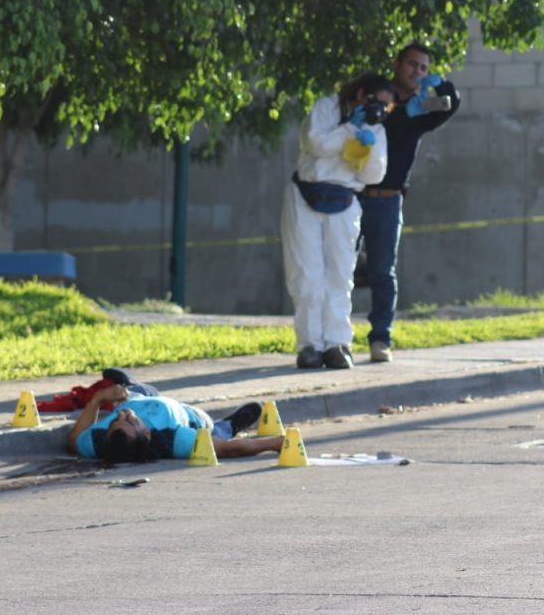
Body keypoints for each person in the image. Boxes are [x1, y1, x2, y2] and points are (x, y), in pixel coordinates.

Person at [281, 73, 392, 370]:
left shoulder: (375, 128)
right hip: (306, 195)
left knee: (341, 275)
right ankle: (309, 345)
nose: (378, 110)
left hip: (344, 200)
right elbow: (315, 142)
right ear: (360, 95)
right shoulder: (326, 108)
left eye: (386, 107)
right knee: (306, 272)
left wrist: (364, 146)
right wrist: (348, 130)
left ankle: (337, 343)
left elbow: (374, 175)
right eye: (375, 102)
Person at [359, 42, 461, 363]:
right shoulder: (379, 96)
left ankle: (380, 339)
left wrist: (440, 85)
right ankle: (334, 340)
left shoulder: (421, 110)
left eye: (423, 68)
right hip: (354, 195)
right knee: (340, 269)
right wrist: (397, 109)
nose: (417, 72)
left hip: (389, 201)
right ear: (396, 63)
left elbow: (451, 104)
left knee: (382, 272)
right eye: (412, 65)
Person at [66, 379, 283, 463]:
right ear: (148, 435)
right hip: (192, 416)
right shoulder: (170, 438)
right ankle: (227, 426)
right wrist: (275, 443)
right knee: (213, 438)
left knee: (132, 389)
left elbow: (74, 441)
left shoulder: (100, 441)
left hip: (139, 395)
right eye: (131, 421)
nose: (125, 414)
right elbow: (228, 450)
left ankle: (129, 383)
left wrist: (97, 400)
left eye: (117, 420)